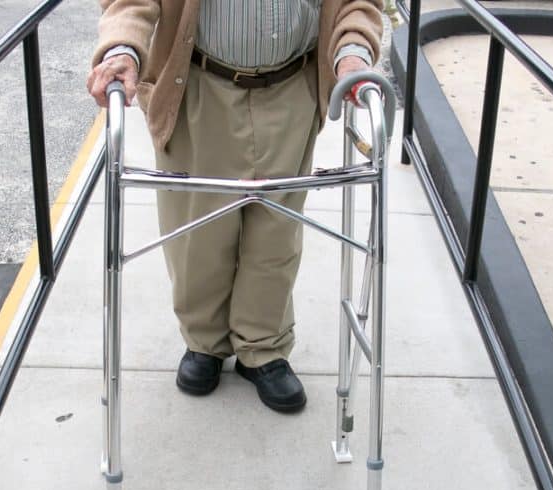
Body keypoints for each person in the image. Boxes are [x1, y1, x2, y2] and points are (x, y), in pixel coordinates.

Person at [87, 0, 383, 413]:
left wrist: (353, 49)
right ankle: (204, 342)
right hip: (199, 84)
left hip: (292, 88)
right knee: (198, 235)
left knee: (276, 234)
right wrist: (123, 47)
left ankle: (263, 347)